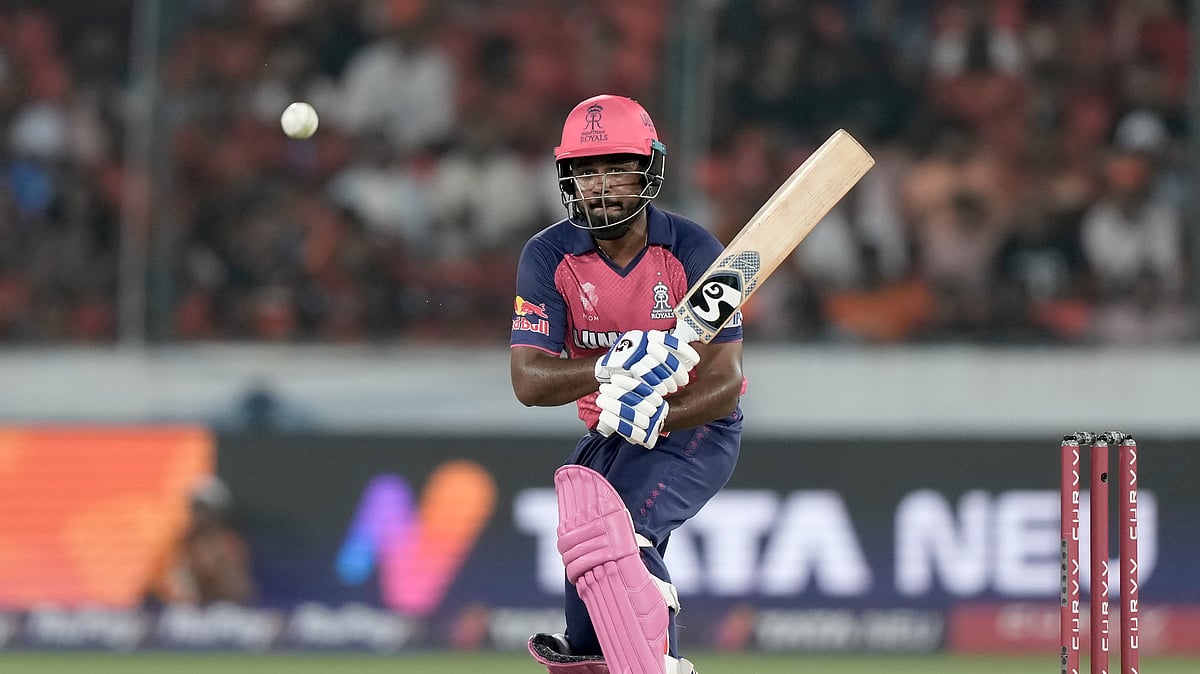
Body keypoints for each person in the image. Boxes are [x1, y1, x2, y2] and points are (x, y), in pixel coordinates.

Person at [510, 94, 745, 674]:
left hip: (695, 430)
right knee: (587, 571)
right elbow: (528, 381)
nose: (601, 184)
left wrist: (660, 414)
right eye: (585, 171)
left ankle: (663, 666)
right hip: (611, 430)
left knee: (624, 538)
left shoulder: (694, 251)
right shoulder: (547, 255)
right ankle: (597, 657)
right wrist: (612, 364)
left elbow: (726, 381)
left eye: (616, 166)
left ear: (650, 169)